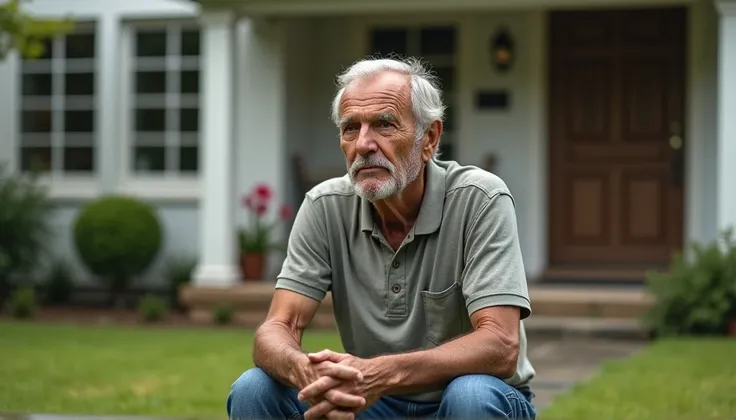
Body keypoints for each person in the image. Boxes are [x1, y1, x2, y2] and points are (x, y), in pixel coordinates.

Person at [226, 57, 536, 420]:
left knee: (470, 395)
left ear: (429, 139)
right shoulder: (324, 206)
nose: (363, 144)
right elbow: (277, 328)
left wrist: (379, 374)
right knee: (254, 389)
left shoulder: (480, 199)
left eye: (384, 125)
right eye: (350, 128)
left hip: (475, 397)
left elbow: (500, 345)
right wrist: (305, 371)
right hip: (371, 404)